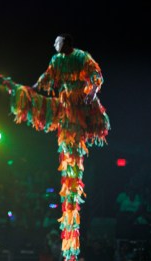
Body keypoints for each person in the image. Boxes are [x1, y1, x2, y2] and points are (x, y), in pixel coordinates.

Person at [32, 34, 110, 261]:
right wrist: (35, 88)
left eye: (58, 42)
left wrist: (91, 93)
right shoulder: (56, 61)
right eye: (54, 43)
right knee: (67, 158)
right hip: (66, 106)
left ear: (67, 43)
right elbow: (47, 77)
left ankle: (72, 251)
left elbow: (96, 76)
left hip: (81, 103)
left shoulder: (82, 57)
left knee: (75, 159)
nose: (55, 46)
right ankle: (69, 251)